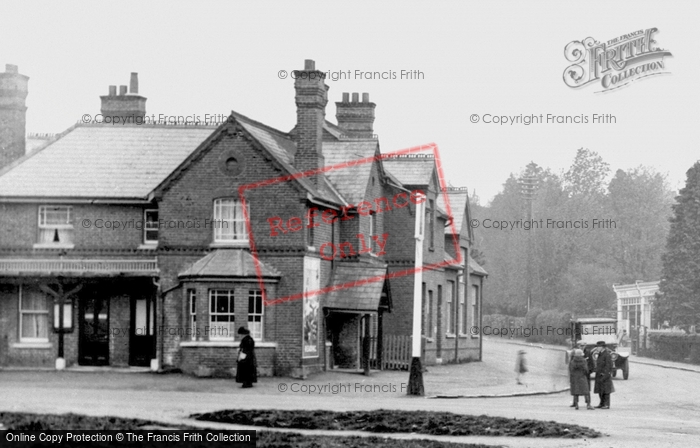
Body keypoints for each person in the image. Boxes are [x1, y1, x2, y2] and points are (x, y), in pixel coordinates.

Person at [593, 340, 614, 409]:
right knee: (600, 390)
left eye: (598, 347)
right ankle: (601, 403)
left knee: (606, 391)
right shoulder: (600, 354)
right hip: (599, 374)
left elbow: (608, 366)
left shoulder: (607, 354)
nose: (597, 348)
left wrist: (605, 374)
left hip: (604, 375)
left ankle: (607, 404)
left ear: (602, 347)